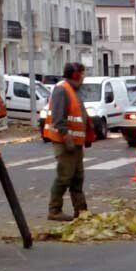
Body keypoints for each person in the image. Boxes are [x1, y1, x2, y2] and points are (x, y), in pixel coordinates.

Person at [43, 61, 96, 221]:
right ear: (75, 75)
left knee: (77, 178)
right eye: (82, 75)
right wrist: (67, 138)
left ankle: (81, 210)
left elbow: (80, 115)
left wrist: (87, 134)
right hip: (66, 142)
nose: (83, 79)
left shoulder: (73, 90)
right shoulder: (62, 90)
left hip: (75, 142)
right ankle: (54, 210)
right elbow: (58, 118)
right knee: (64, 177)